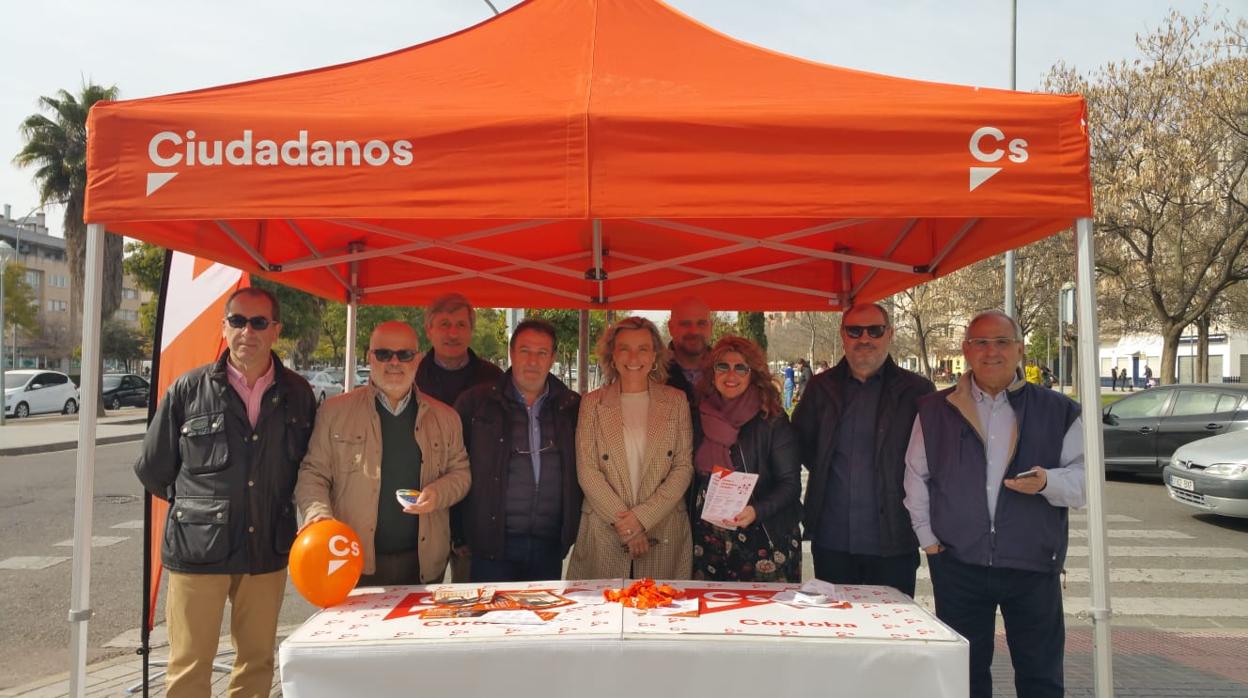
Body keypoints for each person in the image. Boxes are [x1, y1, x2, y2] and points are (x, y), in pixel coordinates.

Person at [134, 287, 316, 698]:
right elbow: (153, 469)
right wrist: (201, 510)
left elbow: (309, 467)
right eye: (237, 321)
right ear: (224, 326)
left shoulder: (299, 394)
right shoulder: (188, 389)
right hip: (198, 554)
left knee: (256, 664)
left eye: (258, 322)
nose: (246, 332)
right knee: (189, 666)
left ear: (275, 330)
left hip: (266, 549)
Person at [903, 310, 1086, 698]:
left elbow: (1087, 485)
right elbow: (915, 476)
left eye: (1002, 342)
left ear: (1020, 349)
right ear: (966, 350)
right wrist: (929, 541)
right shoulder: (935, 409)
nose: (992, 352)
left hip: (1032, 566)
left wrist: (1048, 482)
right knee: (964, 676)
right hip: (958, 564)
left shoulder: (1059, 410)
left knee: (1041, 677)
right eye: (981, 342)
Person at [295, 321, 471, 586]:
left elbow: (461, 473)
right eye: (383, 354)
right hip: (350, 561)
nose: (394, 362)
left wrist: (438, 493)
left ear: (418, 359)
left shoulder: (446, 418)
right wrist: (318, 515)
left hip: (423, 564)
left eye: (404, 355)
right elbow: (313, 473)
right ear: (370, 357)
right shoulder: (333, 412)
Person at [791, 303, 934, 597]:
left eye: (875, 330)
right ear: (843, 335)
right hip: (832, 539)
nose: (864, 338)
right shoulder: (820, 387)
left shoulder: (917, 391)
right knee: (838, 629)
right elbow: (802, 446)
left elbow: (933, 460)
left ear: (890, 334)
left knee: (893, 632)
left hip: (893, 538)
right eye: (855, 330)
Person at [453, 319, 582, 582]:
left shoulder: (571, 407)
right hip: (492, 547)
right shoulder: (475, 404)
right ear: (511, 353)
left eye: (541, 353)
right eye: (525, 351)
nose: (532, 361)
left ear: (552, 358)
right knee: (493, 621)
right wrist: (458, 533)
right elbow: (453, 468)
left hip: (549, 545)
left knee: (545, 620)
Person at [566, 317, 694, 580]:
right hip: (605, 529)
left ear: (655, 355)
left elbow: (683, 467)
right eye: (624, 348)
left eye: (643, 348)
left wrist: (642, 519)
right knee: (602, 615)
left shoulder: (676, 401)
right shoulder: (592, 403)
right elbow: (587, 471)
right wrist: (628, 527)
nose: (633, 356)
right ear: (612, 355)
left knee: (663, 614)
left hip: (663, 527)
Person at [690, 336, 802, 582]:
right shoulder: (699, 415)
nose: (731, 375)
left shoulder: (772, 419)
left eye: (741, 367)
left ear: (754, 373)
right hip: (709, 538)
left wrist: (756, 511)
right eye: (723, 366)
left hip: (763, 535)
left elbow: (791, 484)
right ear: (712, 372)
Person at [415, 292, 503, 581]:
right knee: (421, 610)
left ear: (471, 329)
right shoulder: (409, 375)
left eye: (460, 325)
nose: (452, 333)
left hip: (475, 511)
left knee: (471, 611)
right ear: (429, 329)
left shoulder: (494, 380)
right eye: (444, 324)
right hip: (421, 509)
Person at [665, 296, 713, 409]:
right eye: (685, 324)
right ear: (671, 328)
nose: (694, 331)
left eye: (701, 323)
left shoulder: (729, 371)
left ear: (711, 327)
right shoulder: (653, 373)